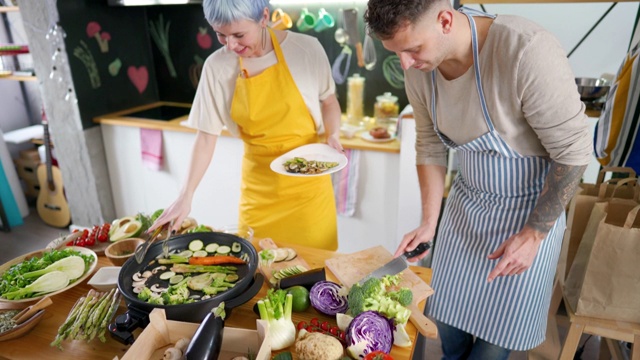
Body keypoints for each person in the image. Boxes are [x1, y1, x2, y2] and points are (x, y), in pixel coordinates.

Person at [365, 0, 591, 358]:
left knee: (489, 353)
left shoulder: (525, 50)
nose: (406, 64)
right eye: (396, 53)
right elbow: (429, 146)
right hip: (465, 215)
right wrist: (428, 221)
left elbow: (574, 153)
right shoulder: (418, 67)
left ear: (443, 20)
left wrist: (534, 234)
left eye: (412, 50)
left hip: (528, 221)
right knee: (449, 340)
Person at [150, 0, 343, 250]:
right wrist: (185, 196)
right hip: (259, 193)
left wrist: (333, 133)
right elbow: (206, 137)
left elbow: (329, 101)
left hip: (309, 192)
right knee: (257, 270)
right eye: (221, 35)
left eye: (239, 34)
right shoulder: (216, 67)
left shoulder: (305, 50)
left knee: (314, 272)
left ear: (264, 17)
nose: (231, 45)